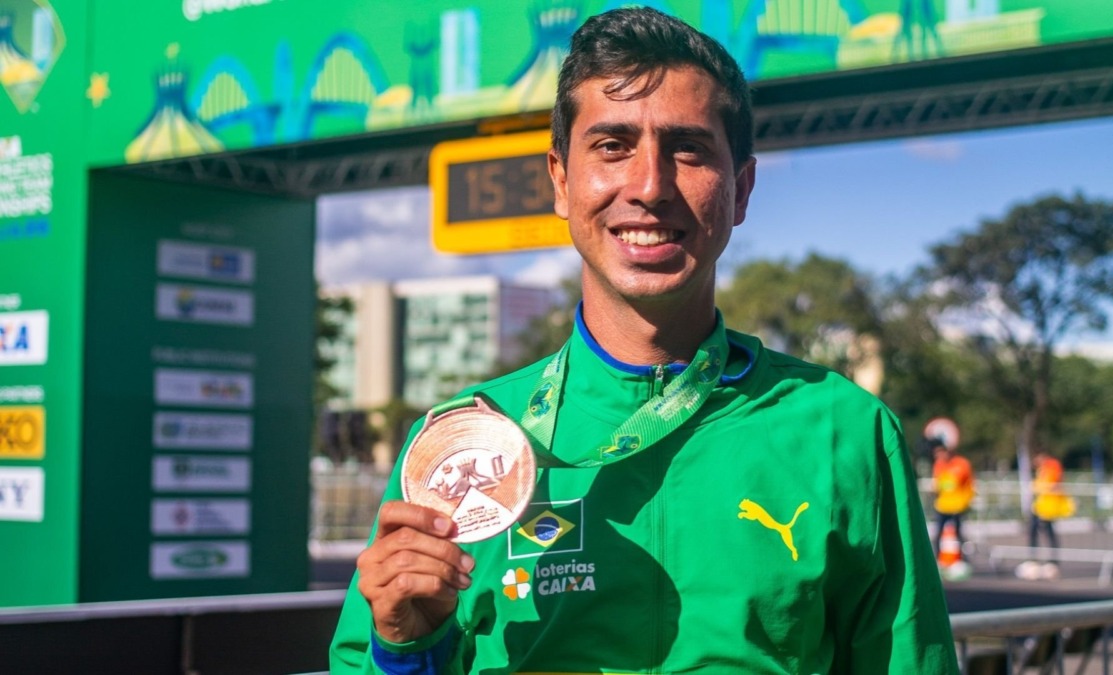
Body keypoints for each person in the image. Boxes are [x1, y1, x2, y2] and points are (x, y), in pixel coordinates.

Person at [330, 7, 957, 673]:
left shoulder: (846, 431)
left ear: (741, 189)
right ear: (562, 182)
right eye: (611, 146)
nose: (650, 185)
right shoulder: (457, 448)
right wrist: (406, 649)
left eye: (688, 148)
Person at [1019, 449, 1075, 580]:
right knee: (1034, 530)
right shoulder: (1044, 467)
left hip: (1050, 506)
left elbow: (1050, 484)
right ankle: (1033, 559)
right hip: (1041, 505)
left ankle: (1053, 562)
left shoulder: (1052, 465)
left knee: (1049, 532)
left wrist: (1036, 487)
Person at [930, 439, 974, 563]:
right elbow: (938, 485)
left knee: (959, 534)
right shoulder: (939, 465)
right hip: (943, 505)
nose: (939, 456)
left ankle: (962, 560)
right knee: (938, 534)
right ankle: (938, 560)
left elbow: (969, 484)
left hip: (958, 505)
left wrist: (967, 501)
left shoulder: (962, 464)